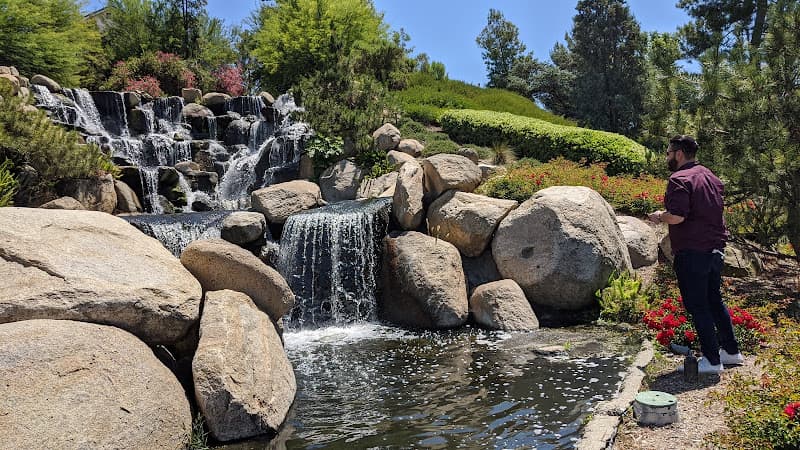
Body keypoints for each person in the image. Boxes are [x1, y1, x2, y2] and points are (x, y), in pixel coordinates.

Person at [647, 135, 744, 375]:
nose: (667, 157)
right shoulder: (710, 176)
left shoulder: (679, 179)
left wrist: (660, 215)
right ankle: (731, 352)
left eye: (668, 153)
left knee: (697, 304)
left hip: (693, 250)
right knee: (713, 299)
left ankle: (711, 361)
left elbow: (677, 216)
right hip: (715, 248)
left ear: (679, 153)